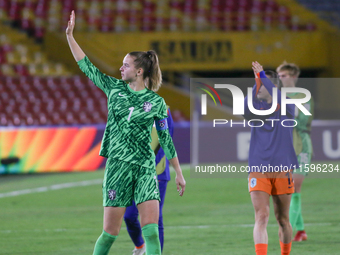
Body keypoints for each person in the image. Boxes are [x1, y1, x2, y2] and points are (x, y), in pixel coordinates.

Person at [65, 11, 186, 255]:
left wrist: (179, 173)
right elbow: (86, 65)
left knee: (151, 230)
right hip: (117, 168)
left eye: (126, 65)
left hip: (144, 168)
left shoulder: (157, 102)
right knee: (110, 233)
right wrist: (69, 36)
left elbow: (166, 140)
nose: (121, 68)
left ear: (139, 71)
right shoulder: (113, 88)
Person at [245, 61, 299, 255]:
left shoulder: (288, 107)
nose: (259, 89)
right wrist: (257, 82)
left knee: (283, 219)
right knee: (262, 216)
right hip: (258, 169)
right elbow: (245, 105)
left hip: (283, 169)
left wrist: (263, 78)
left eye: (263, 85)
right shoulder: (255, 111)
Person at [124, 107, 174, 255]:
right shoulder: (129, 108)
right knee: (129, 216)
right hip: (133, 173)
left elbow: (166, 140)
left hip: (156, 172)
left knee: (155, 220)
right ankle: (140, 247)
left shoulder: (163, 108)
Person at [277, 62, 313, 242]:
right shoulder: (276, 95)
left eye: (284, 75)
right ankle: (300, 230)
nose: (281, 78)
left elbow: (304, 121)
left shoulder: (303, 96)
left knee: (294, 188)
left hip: (301, 146)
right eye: (279, 75)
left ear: (293, 76)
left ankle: (288, 233)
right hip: (284, 147)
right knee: (287, 190)